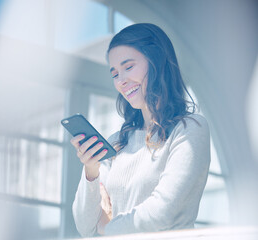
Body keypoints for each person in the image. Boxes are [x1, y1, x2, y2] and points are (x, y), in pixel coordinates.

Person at [71, 23, 210, 237]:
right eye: (115, 73)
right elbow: (84, 226)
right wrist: (91, 172)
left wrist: (107, 228)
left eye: (128, 67)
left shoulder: (189, 130)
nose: (121, 81)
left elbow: (161, 213)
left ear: (156, 62)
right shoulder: (117, 141)